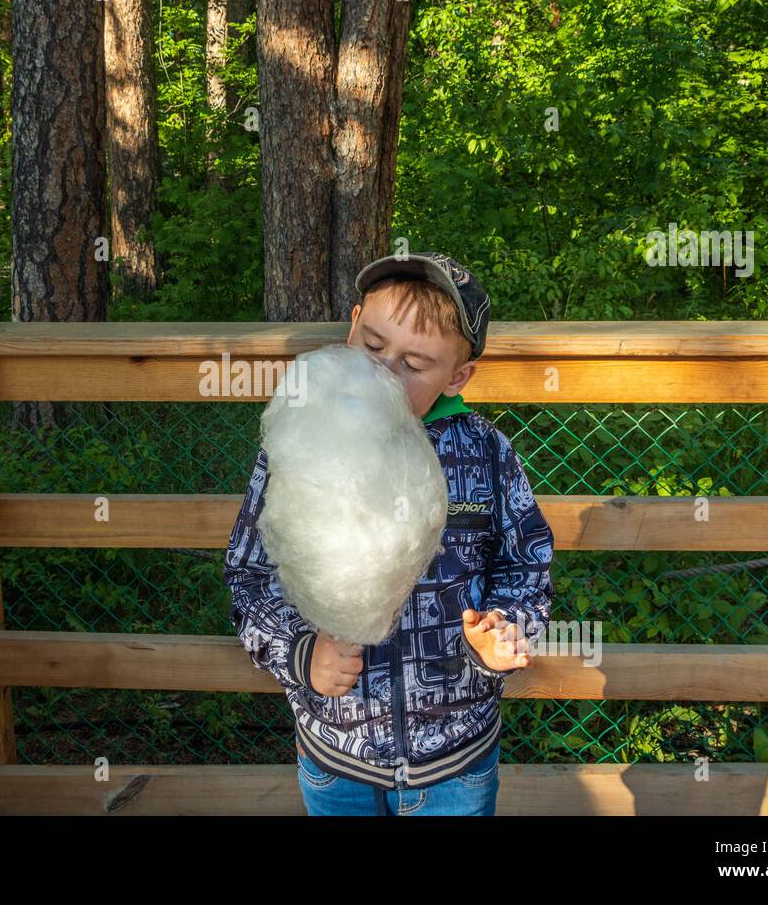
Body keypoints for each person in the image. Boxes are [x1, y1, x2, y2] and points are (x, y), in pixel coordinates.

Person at [223, 251, 555, 815]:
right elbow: (249, 575)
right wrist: (302, 656)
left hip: (457, 757)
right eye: (373, 347)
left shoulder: (484, 453)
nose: (382, 372)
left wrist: (503, 631)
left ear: (457, 375)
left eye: (413, 363)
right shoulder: (298, 446)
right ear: (352, 323)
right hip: (336, 754)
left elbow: (527, 564)